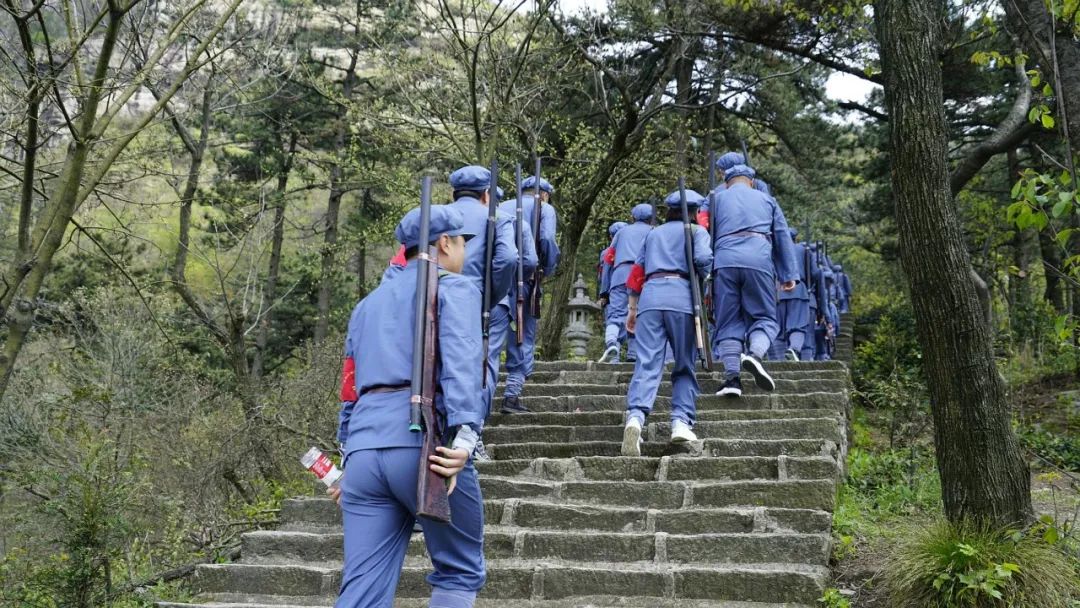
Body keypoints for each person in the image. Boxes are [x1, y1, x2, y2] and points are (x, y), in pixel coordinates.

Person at [333, 205, 486, 608]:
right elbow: (462, 362)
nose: (464, 253)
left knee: (362, 587)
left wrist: (346, 452)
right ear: (445, 243)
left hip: (364, 450)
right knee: (459, 571)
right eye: (462, 243)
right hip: (427, 447)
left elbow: (350, 385)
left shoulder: (367, 305)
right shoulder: (453, 288)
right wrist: (466, 435)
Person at [621, 189, 712, 456]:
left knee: (647, 361)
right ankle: (681, 421)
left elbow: (637, 272)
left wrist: (632, 308)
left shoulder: (653, 234)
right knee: (684, 363)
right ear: (694, 212)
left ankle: (635, 418)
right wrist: (705, 275)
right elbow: (703, 260)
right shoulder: (697, 232)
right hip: (682, 299)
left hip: (650, 298)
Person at [709, 164, 798, 397]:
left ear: (727, 182)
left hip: (724, 261)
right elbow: (782, 236)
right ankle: (755, 355)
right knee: (765, 317)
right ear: (751, 181)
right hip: (758, 260)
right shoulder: (767, 200)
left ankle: (732, 379)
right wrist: (788, 274)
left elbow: (705, 232)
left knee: (727, 322)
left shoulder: (715, 199)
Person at [497, 175, 559, 414]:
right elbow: (547, 239)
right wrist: (547, 268)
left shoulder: (501, 206)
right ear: (544, 194)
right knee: (522, 335)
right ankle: (512, 393)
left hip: (496, 277)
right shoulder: (544, 208)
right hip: (525, 278)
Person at [601, 203, 655, 363]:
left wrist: (604, 290)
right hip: (643, 276)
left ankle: (612, 343)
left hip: (620, 275)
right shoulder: (654, 232)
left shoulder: (621, 233)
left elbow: (608, 260)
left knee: (616, 314)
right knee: (640, 314)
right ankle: (633, 354)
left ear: (633, 217)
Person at [777, 227, 812, 361]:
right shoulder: (803, 250)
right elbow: (814, 273)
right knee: (798, 325)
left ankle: (778, 361)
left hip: (778, 291)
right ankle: (794, 349)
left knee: (778, 330)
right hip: (798, 290)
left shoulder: (774, 249)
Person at [598, 221, 628, 358]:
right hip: (635, 288)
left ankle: (613, 357)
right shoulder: (635, 249)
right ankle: (632, 355)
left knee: (614, 319)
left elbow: (604, 274)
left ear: (611, 236)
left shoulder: (607, 252)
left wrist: (604, 294)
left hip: (613, 291)